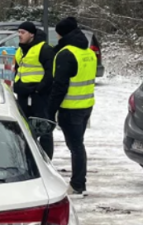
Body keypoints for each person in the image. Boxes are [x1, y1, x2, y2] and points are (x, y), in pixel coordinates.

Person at [45, 16, 97, 196]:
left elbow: (60, 86)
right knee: (77, 145)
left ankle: (78, 184)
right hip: (86, 105)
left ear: (62, 35)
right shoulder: (88, 52)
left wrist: (50, 111)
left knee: (76, 146)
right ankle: (78, 182)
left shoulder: (66, 54)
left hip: (70, 107)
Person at [13, 21, 54, 158]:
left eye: (23, 32)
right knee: (25, 128)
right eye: (18, 32)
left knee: (43, 127)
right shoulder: (20, 50)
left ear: (32, 34)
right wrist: (17, 85)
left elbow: (50, 73)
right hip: (23, 94)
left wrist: (38, 89)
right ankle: (29, 158)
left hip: (39, 96)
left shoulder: (44, 49)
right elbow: (19, 69)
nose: (19, 35)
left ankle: (46, 159)